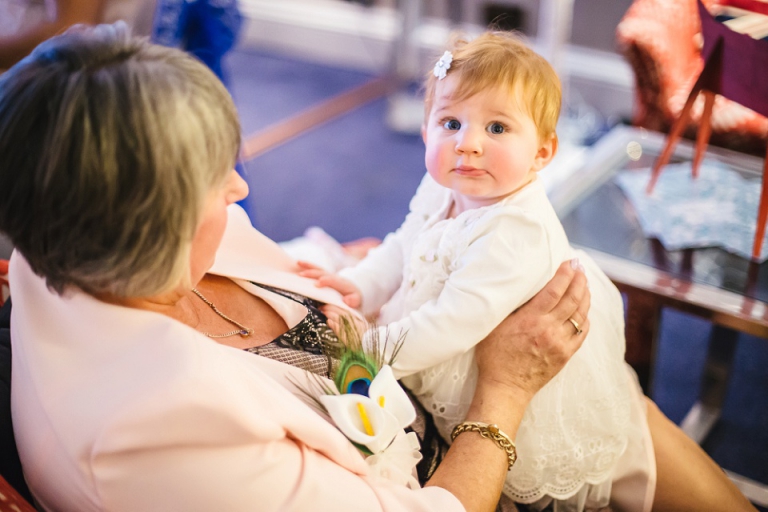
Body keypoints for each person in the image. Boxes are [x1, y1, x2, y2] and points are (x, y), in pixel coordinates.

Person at [0, 23, 591, 512]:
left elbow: (304, 275)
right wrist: (504, 395)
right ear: (143, 224)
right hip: (444, 464)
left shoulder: (69, 232)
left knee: (608, 396)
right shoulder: (169, 438)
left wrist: (355, 270)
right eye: (213, 181)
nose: (237, 188)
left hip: (405, 373)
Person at [300, 31, 757, 512]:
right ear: (425, 131)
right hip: (443, 345)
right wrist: (360, 286)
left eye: (497, 129)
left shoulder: (515, 230)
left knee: (607, 482)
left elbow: (452, 323)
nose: (467, 144)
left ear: (542, 152)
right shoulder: (442, 187)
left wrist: (367, 351)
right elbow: (402, 244)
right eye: (451, 123)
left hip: (510, 373)